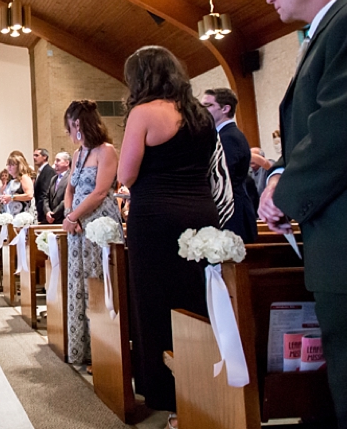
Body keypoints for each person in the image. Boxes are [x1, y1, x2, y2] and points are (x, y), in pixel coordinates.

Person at [258, 0, 347, 427]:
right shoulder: (328, 31)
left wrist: (283, 196)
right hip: (345, 241)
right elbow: (315, 126)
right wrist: (282, 175)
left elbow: (343, 128)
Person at [117, 46, 220, 426]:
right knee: (198, 300)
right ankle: (205, 382)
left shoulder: (144, 113)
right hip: (201, 212)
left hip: (157, 217)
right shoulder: (201, 115)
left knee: (158, 301)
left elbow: (126, 175)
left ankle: (166, 390)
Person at [62, 100, 123, 366]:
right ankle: (82, 349)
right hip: (77, 226)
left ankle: (105, 353)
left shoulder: (106, 151)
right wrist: (69, 216)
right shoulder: (77, 154)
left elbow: (100, 191)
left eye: (68, 124)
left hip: (98, 223)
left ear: (78, 123)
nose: (67, 130)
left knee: (98, 282)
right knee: (79, 284)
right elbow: (70, 188)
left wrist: (75, 215)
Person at [201, 88, 257, 243]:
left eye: (207, 106)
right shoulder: (222, 135)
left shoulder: (229, 137)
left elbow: (224, 177)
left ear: (225, 109)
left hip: (233, 213)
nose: (202, 111)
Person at [0, 150, 35, 215]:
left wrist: (11, 197)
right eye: (8, 164)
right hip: (12, 214)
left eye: (12, 165)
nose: (9, 167)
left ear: (19, 166)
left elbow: (29, 195)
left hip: (23, 214)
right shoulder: (11, 180)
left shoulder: (24, 177)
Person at [45, 152, 72, 224]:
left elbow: (67, 198)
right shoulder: (53, 178)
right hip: (51, 218)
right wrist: (47, 211)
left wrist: (53, 214)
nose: (55, 163)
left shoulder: (71, 177)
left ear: (67, 163)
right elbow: (46, 197)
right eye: (55, 160)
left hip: (63, 217)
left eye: (58, 160)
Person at [33, 148, 55, 222]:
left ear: (44, 157)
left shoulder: (49, 171)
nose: (34, 158)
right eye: (33, 155)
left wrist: (42, 211)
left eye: (36, 155)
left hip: (43, 212)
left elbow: (45, 193)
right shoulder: (40, 171)